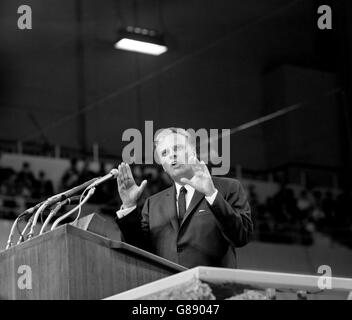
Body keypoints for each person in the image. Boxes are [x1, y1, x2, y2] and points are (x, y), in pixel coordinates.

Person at [115, 128, 253, 268]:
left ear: (193, 152)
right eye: (164, 153)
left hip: (214, 286)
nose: (172, 155)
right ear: (163, 166)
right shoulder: (153, 204)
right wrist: (129, 206)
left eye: (177, 148)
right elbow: (139, 251)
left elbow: (242, 236)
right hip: (168, 287)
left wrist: (212, 194)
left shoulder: (228, 188)